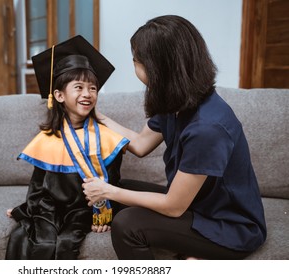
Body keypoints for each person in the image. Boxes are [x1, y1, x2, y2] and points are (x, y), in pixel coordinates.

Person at [82, 15, 267, 260]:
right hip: (198, 206)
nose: (134, 66)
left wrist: (107, 192)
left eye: (136, 61)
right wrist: (98, 116)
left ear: (159, 69)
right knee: (121, 187)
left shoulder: (207, 127)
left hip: (229, 227)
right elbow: (139, 144)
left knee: (127, 224)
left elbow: (173, 205)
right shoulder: (177, 101)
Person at [5, 35, 129, 260]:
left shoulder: (107, 138)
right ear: (59, 95)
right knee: (41, 241)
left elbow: (112, 182)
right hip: (49, 207)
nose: (87, 94)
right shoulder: (47, 139)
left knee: (67, 242)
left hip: (83, 208)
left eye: (93, 88)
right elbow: (38, 187)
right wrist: (27, 209)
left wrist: (103, 214)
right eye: (79, 87)